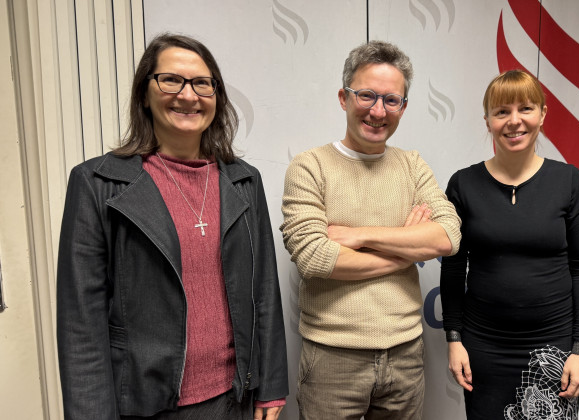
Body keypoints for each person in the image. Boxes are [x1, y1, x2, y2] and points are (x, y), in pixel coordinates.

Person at [56, 33, 288, 420]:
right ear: (144, 93)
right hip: (146, 406)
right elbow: (82, 324)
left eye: (202, 83)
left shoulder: (244, 181)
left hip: (234, 400)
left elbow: (263, 290)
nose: (188, 95)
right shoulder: (97, 183)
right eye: (171, 80)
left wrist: (272, 386)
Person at [280, 40, 462, 420]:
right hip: (333, 356)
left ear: (404, 107)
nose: (378, 111)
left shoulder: (412, 166)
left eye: (391, 100)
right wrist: (409, 251)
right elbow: (315, 258)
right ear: (343, 98)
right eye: (366, 95)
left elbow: (448, 236)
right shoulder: (309, 166)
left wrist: (359, 235)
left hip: (406, 354)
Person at [440, 69, 579, 420]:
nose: (514, 121)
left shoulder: (569, 181)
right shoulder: (463, 184)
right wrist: (454, 339)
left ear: (543, 114)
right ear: (488, 121)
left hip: (553, 348)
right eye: (501, 112)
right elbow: (453, 267)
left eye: (525, 109)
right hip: (484, 349)